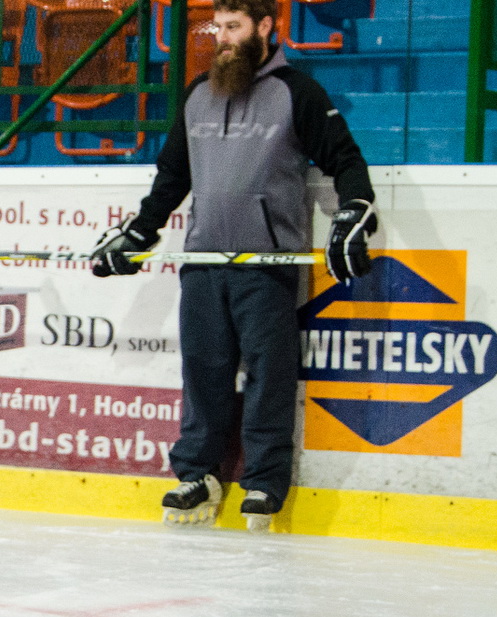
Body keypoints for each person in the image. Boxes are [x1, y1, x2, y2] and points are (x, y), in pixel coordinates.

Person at [89, 0, 378, 533]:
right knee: (203, 371)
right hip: (202, 261)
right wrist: (138, 231)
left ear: (266, 28)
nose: (222, 37)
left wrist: (354, 212)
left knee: (270, 375)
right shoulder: (198, 94)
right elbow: (172, 178)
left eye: (234, 27)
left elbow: (345, 161)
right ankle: (196, 473)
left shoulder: (296, 92)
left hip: (266, 264)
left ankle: (266, 479)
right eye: (217, 27)